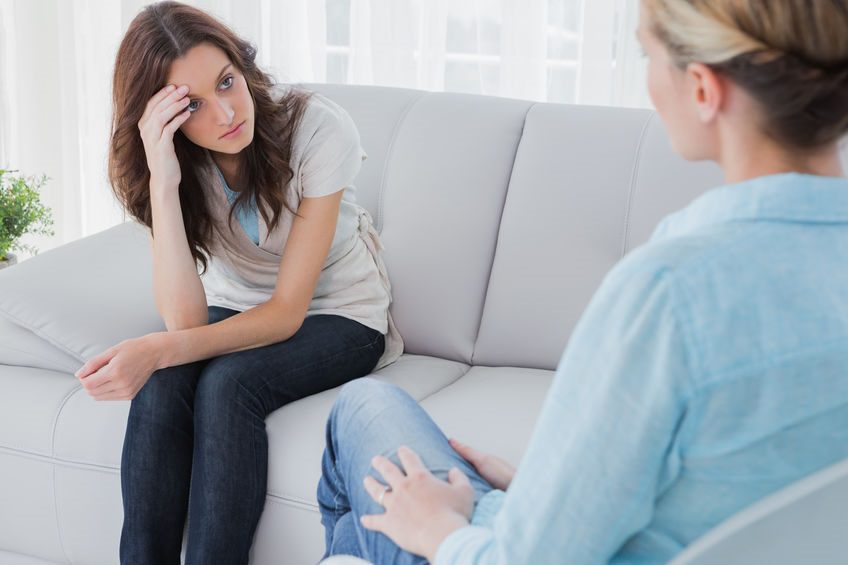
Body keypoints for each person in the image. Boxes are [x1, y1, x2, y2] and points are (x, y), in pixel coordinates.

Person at [317, 0, 848, 562]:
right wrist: (540, 495)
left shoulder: (670, 293)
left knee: (363, 409)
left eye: (648, 54)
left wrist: (439, 533)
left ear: (701, 89)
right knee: (361, 528)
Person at [72, 1, 403, 563]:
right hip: (238, 309)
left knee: (228, 386)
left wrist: (157, 347)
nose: (226, 113)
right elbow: (185, 323)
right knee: (163, 383)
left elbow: (285, 314)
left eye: (227, 82)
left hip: (341, 315)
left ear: (243, 66)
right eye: (193, 104)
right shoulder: (173, 164)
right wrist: (162, 177)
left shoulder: (317, 130)